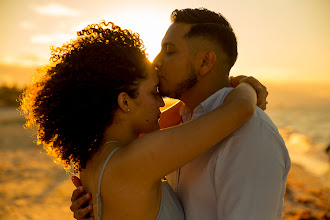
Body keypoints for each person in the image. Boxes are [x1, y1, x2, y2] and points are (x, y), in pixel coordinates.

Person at [20, 21, 262, 220]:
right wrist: (244, 85)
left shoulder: (94, 159)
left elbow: (184, 112)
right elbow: (240, 109)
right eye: (154, 92)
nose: (160, 103)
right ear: (125, 102)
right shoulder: (138, 158)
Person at [71, 8, 291, 220]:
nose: (156, 61)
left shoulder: (250, 135)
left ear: (205, 62)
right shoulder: (181, 127)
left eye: (169, 51)